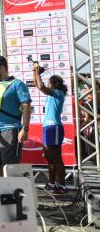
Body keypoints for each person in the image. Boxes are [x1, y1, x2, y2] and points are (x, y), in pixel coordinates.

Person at [33, 66, 68, 194]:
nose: (47, 84)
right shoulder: (51, 94)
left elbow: (41, 87)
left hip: (55, 127)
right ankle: (52, 183)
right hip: (48, 127)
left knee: (56, 158)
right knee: (49, 157)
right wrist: (34, 72)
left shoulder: (58, 93)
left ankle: (63, 186)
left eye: (49, 83)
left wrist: (37, 72)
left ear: (55, 84)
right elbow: (38, 85)